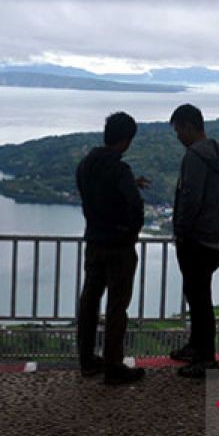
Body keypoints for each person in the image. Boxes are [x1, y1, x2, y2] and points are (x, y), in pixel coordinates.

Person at [75, 112, 147, 385]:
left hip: (94, 242)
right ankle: (114, 365)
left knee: (89, 300)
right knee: (117, 305)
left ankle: (86, 360)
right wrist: (131, 233)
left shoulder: (85, 165)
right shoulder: (119, 170)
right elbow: (134, 207)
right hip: (119, 247)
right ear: (126, 140)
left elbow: (93, 196)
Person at [168, 103, 219, 379]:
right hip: (215, 238)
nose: (178, 137)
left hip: (195, 239)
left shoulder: (194, 156)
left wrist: (181, 231)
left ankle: (205, 358)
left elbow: (191, 198)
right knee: (199, 295)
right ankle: (196, 347)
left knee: (199, 299)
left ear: (189, 126)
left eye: (179, 130)